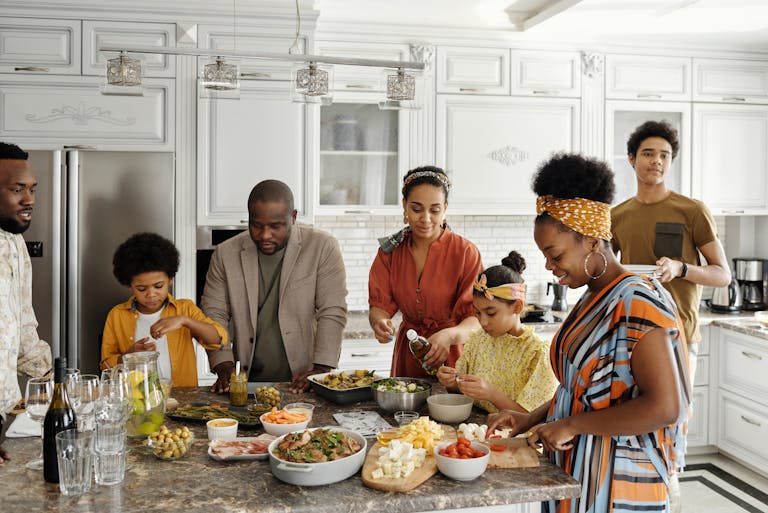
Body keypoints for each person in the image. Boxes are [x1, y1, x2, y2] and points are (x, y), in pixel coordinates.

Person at [488, 153, 691, 513]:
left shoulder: (637, 302)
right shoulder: (593, 297)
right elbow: (587, 391)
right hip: (579, 470)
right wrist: (530, 418)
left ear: (593, 241)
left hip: (619, 482)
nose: (551, 268)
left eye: (555, 255)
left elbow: (666, 407)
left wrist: (572, 425)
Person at [611, 120, 730, 385]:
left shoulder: (692, 211)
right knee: (631, 421)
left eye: (664, 155)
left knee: (675, 420)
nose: (657, 161)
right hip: (632, 332)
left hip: (677, 332)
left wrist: (681, 268)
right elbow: (606, 271)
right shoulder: (616, 216)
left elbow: (723, 275)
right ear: (632, 159)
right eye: (648, 153)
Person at [201, 179, 347, 394]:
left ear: (293, 217)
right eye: (257, 225)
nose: (265, 235)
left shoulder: (322, 247)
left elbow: (332, 311)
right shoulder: (225, 254)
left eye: (275, 226)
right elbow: (214, 314)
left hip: (304, 381)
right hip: (247, 382)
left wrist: (321, 370)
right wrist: (224, 365)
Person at [368, 166, 482, 378]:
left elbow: (476, 319)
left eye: (435, 210)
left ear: (445, 208)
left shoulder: (466, 253)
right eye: (417, 209)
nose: (426, 218)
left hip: (454, 355)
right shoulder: (389, 253)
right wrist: (380, 323)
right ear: (404, 206)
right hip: (408, 354)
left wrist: (449, 335)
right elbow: (379, 306)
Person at [100, 232, 228, 387]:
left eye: (158, 286)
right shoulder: (117, 315)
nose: (151, 294)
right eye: (141, 289)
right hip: (135, 399)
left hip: (181, 399)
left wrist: (184, 321)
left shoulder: (184, 309)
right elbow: (105, 366)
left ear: (170, 280)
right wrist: (128, 357)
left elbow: (218, 340)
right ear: (129, 286)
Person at [436, 251, 558, 414]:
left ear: (517, 307)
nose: (483, 322)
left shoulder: (537, 353)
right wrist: (452, 384)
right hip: (476, 431)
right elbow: (462, 395)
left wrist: (492, 395)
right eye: (478, 313)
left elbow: (531, 417)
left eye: (491, 313)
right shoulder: (478, 340)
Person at [0, 142, 52, 463]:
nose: (28, 199)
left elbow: (22, 327)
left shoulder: (16, 245)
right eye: (16, 189)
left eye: (32, 189)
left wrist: (56, 384)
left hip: (5, 413)